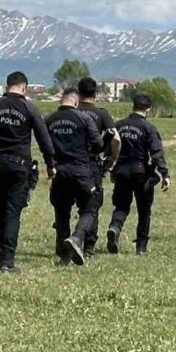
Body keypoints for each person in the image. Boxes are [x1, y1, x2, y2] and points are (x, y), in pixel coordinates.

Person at [0, 71, 55, 273]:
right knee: (13, 212)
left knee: (1, 211)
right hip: (19, 165)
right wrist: (50, 163)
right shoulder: (29, 108)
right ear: (24, 88)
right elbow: (44, 139)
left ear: (7, 86)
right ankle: (7, 261)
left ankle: (0, 255)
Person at [45, 89, 103, 265]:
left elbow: (44, 144)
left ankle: (64, 256)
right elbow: (98, 144)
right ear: (76, 102)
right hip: (81, 170)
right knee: (90, 207)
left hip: (59, 170)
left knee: (62, 212)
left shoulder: (49, 119)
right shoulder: (84, 119)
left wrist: (50, 164)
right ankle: (77, 238)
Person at [107, 94, 170, 255]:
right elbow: (156, 153)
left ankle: (114, 228)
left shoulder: (119, 125)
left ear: (133, 106)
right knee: (144, 210)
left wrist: (109, 167)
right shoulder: (148, 128)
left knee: (121, 206)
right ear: (148, 109)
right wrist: (164, 174)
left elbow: (109, 147)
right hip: (140, 172)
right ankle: (141, 246)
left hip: (121, 171)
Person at [76, 78, 121, 257]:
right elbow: (116, 139)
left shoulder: (73, 112)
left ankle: (63, 241)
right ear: (95, 94)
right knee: (91, 204)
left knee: (66, 205)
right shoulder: (102, 114)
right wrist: (112, 159)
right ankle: (88, 246)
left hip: (70, 163)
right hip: (92, 164)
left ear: (78, 94)